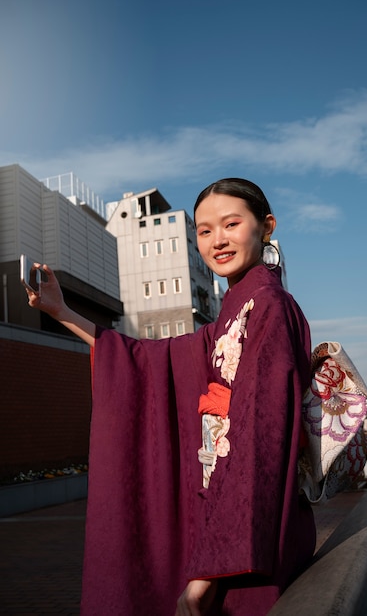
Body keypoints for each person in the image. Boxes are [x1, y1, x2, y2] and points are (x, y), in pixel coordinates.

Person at [26, 178, 316, 616]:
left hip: (251, 542)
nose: (218, 240)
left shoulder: (268, 306)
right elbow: (148, 360)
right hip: (234, 532)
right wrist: (62, 313)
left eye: (232, 223)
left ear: (267, 226)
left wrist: (207, 574)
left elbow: (260, 443)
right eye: (203, 230)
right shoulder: (234, 313)